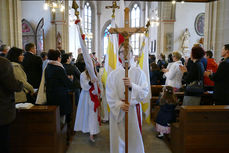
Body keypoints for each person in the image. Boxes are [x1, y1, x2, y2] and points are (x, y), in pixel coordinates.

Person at [106, 44, 149, 153]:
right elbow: (110, 94)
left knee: (133, 139)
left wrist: (132, 86)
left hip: (133, 109)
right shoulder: (113, 74)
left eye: (127, 51)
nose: (124, 55)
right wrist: (119, 104)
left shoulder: (139, 73)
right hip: (119, 110)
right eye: (121, 52)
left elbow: (144, 92)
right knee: (118, 139)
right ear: (119, 55)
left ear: (132, 53)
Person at [0, 56, 23, 153]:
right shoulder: (3, 63)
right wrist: (20, 84)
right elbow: (12, 85)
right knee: (3, 143)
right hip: (2, 109)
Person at [45, 49, 73, 123]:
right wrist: (70, 79)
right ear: (58, 58)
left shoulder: (48, 66)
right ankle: (61, 133)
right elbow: (66, 82)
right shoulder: (58, 68)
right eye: (60, 57)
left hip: (51, 94)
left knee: (54, 117)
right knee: (61, 117)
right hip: (60, 95)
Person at [74, 69, 100, 142]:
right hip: (86, 96)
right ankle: (87, 129)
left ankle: (92, 131)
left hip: (94, 96)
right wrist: (90, 82)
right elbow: (84, 85)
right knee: (86, 113)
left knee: (93, 114)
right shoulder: (83, 74)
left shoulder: (97, 74)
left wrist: (98, 91)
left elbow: (99, 84)